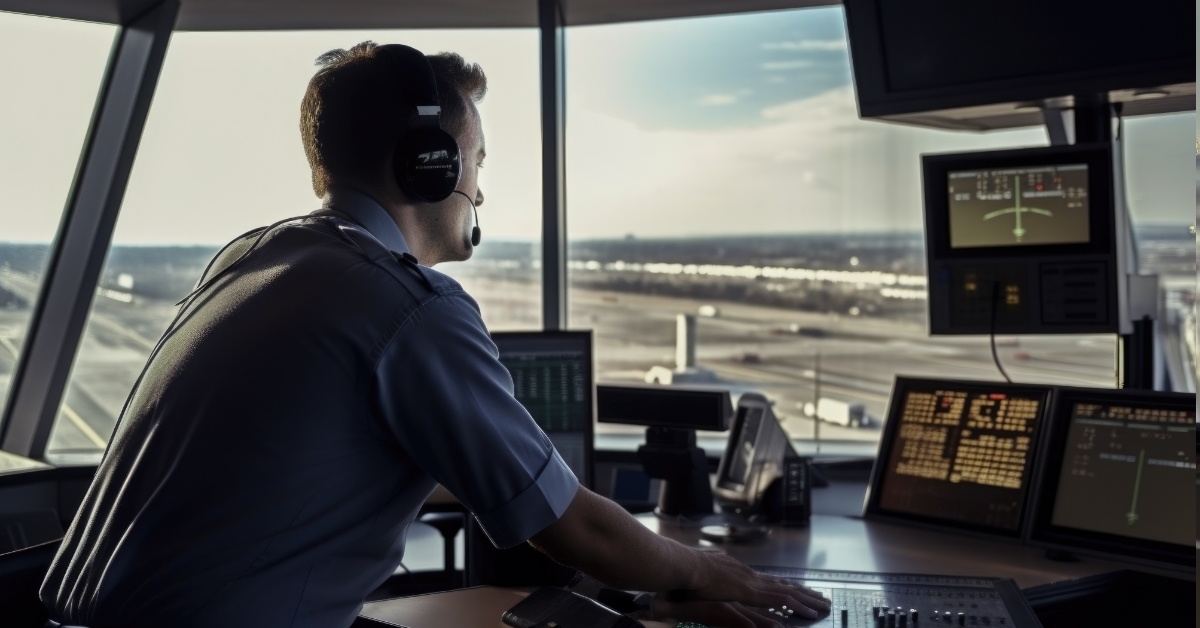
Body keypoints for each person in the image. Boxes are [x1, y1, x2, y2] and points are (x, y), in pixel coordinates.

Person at [40, 42, 830, 628]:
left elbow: (446, 480)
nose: (479, 186)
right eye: (476, 159)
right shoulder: (408, 306)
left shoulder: (256, 257)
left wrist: (646, 588)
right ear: (430, 164)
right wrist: (712, 573)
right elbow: (574, 525)